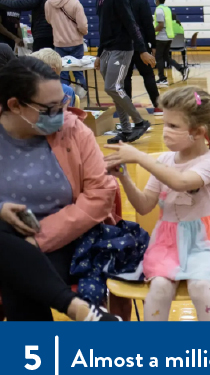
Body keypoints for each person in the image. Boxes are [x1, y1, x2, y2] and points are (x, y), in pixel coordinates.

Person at [104, 86, 210, 321]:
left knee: (200, 286)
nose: (165, 132)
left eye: (173, 126)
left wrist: (140, 157)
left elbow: (181, 182)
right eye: (164, 124)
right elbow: (144, 206)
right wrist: (124, 176)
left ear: (198, 131)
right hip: (167, 241)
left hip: (205, 240)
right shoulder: (164, 160)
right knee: (160, 287)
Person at [0, 57, 121, 321]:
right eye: (51, 108)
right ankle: (79, 310)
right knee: (8, 243)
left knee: (15, 273)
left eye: (63, 103)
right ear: (15, 105)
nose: (61, 113)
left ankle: (35, 358)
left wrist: (39, 238)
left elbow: (99, 197)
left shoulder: (73, 130)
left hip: (68, 242)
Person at [95, 0, 155, 144]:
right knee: (115, 91)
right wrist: (99, 53)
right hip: (106, 50)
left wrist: (142, 50)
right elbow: (102, 27)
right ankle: (126, 130)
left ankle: (139, 122)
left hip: (121, 49)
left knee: (113, 87)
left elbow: (131, 23)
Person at [123, 0, 161, 116]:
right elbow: (148, 24)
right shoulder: (141, 2)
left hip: (123, 44)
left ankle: (127, 109)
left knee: (125, 77)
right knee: (148, 74)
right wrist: (153, 44)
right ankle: (158, 106)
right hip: (141, 44)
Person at [44, 0, 87, 92]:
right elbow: (82, 25)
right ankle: (82, 95)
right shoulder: (75, 3)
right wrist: (83, 32)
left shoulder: (48, 3)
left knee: (62, 71)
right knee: (78, 71)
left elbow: (48, 20)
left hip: (59, 43)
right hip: (76, 42)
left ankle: (65, 96)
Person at [154, 0, 188, 87]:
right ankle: (181, 69)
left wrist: (151, 32)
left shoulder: (159, 10)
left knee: (159, 57)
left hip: (161, 37)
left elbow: (160, 25)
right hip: (169, 36)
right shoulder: (167, 9)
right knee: (166, 57)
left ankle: (162, 79)